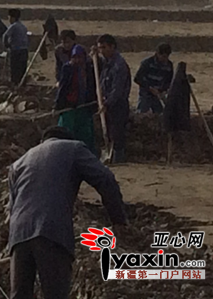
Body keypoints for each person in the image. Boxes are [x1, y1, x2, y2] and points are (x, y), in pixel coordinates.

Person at [8, 126, 127, 299]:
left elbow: (13, 208)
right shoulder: (73, 148)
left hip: (18, 235)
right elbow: (105, 179)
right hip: (51, 230)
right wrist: (118, 220)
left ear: (43, 141)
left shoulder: (19, 163)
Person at [96, 34, 131, 163]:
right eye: (100, 48)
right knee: (109, 132)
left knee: (117, 133)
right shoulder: (106, 62)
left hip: (118, 104)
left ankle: (118, 159)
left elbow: (118, 89)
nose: (101, 51)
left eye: (104, 47)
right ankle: (110, 157)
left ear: (112, 47)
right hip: (106, 102)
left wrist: (107, 103)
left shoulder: (119, 65)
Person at [54, 45, 97, 154]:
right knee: (66, 132)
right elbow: (63, 88)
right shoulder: (67, 68)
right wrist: (58, 104)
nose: (77, 60)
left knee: (85, 133)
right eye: (75, 57)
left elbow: (92, 85)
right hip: (69, 106)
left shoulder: (90, 68)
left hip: (85, 106)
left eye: (80, 57)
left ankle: (86, 154)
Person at [134, 43, 173, 114]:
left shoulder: (169, 66)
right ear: (157, 53)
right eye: (163, 56)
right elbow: (137, 78)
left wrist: (163, 90)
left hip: (158, 95)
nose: (165, 59)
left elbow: (169, 81)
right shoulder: (147, 63)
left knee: (161, 115)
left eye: (167, 56)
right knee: (142, 114)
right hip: (145, 94)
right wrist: (149, 88)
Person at [3, 9, 29, 85]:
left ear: (12, 18)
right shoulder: (23, 26)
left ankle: (15, 83)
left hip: (15, 50)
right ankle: (22, 83)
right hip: (24, 49)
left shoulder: (13, 26)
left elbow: (5, 36)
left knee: (14, 68)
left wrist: (6, 45)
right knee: (22, 68)